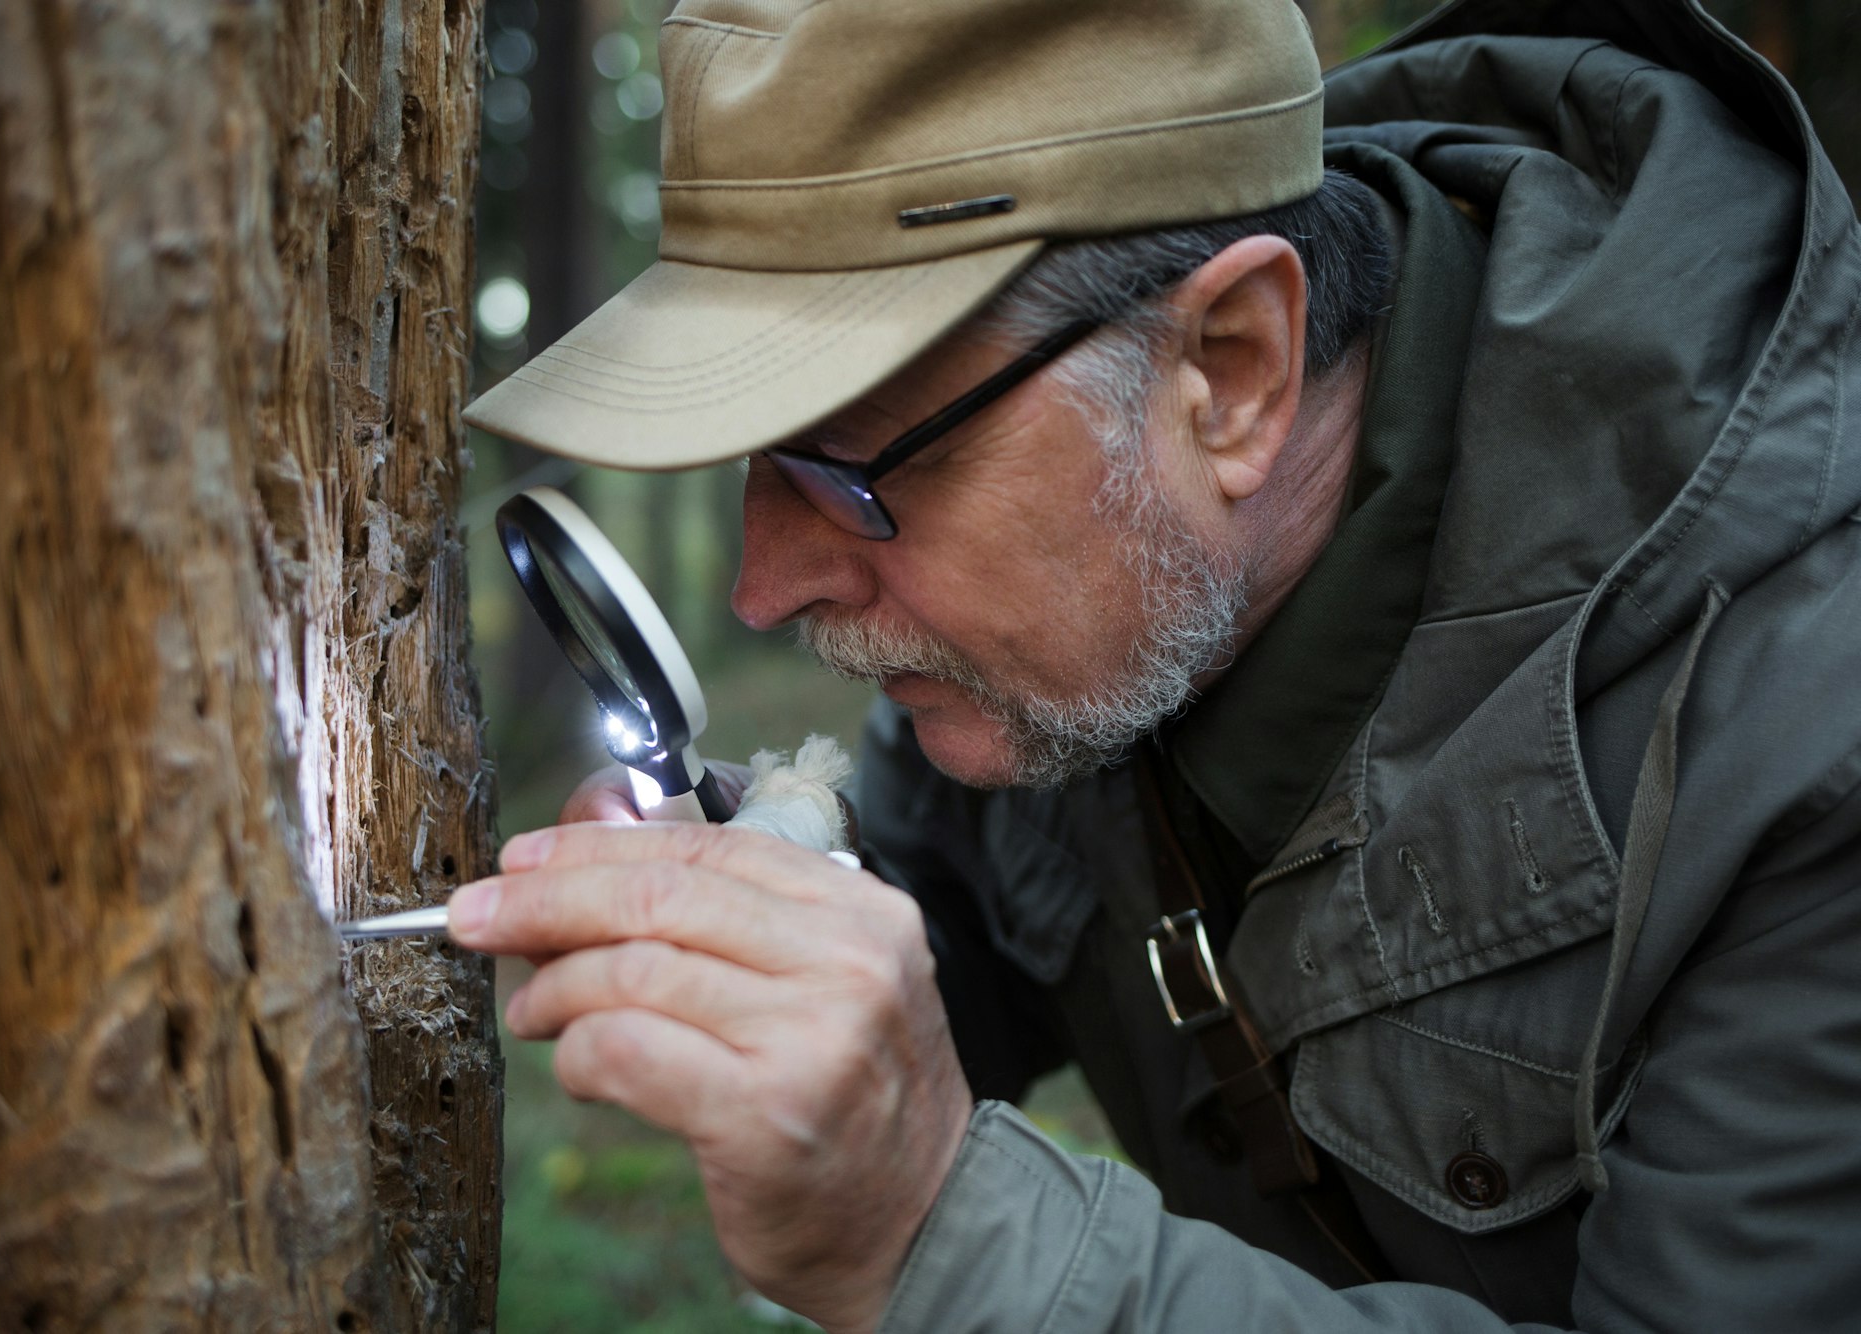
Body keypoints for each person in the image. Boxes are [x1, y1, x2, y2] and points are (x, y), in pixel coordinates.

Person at [449, 0, 1861, 1327]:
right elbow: (955, 931)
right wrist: (768, 913)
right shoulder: (1067, 627)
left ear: (1233, 369)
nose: (762, 589)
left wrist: (939, 1229)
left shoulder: (1803, 730)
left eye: (848, 474)